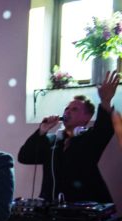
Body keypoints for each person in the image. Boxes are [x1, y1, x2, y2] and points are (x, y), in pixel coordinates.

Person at [17, 71, 118, 203]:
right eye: (67, 109)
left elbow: (104, 129)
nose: (68, 112)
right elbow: (24, 157)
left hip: (84, 208)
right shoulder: (51, 140)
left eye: (74, 109)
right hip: (52, 207)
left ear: (87, 117)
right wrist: (41, 131)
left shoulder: (90, 138)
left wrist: (105, 101)